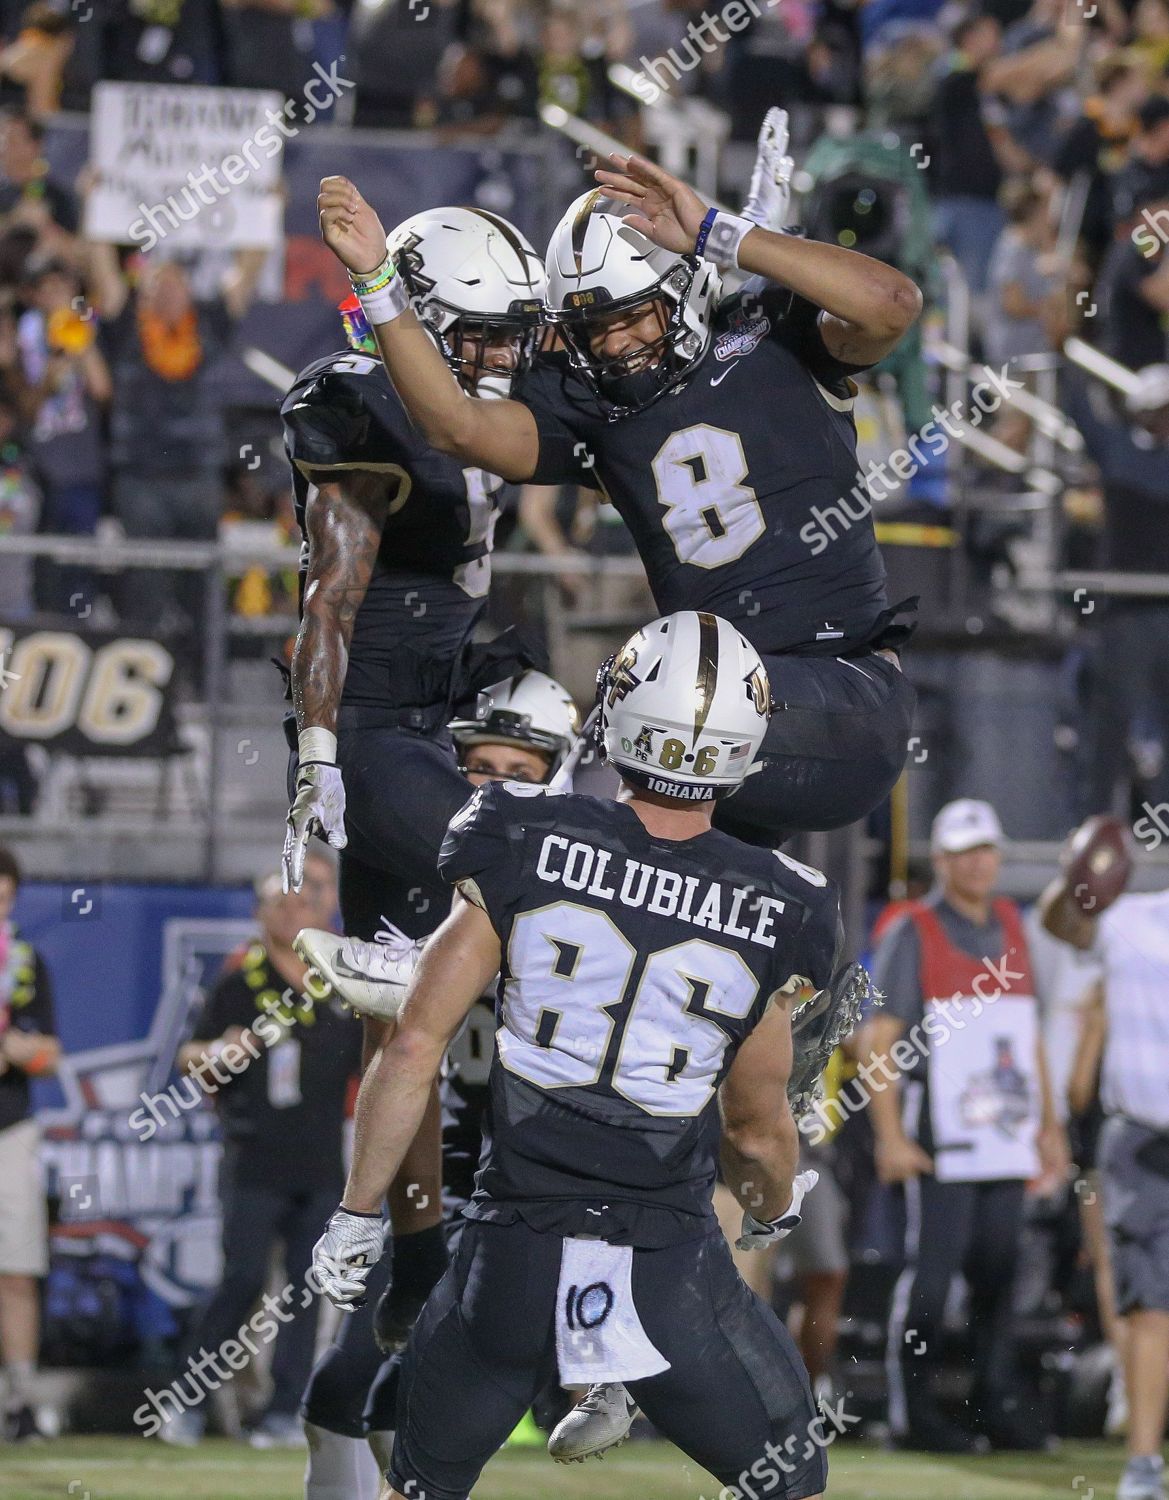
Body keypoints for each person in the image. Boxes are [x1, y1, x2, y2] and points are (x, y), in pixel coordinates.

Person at [312, 610, 841, 1500]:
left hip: (508, 1248)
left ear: (619, 713)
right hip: (667, 1266)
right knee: (788, 1478)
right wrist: (772, 1210)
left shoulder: (518, 830)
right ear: (745, 741)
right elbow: (755, 1133)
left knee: (417, 1484)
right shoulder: (782, 900)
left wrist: (360, 1212)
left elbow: (413, 1046)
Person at [315, 115, 922, 855]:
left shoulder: (771, 330)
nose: (618, 345)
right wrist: (378, 283)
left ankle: (499, 890)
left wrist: (718, 231)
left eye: (633, 318)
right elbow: (454, 425)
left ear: (685, 288)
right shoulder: (594, 413)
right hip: (722, 738)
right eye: (594, 330)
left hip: (843, 699)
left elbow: (891, 304)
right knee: (644, 901)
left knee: (644, 689)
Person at [277, 205, 551, 1500]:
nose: (501, 360)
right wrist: (321, 753)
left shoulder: (482, 400)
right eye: (482, 336)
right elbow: (329, 597)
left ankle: (392, 1311)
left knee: (416, 1035)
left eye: (511, 337)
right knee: (529, 882)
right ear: (423, 319)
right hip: (386, 724)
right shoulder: (358, 406)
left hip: (460, 706)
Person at [298, 670, 579, 1498]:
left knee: (420, 1390)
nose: (490, 791)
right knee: (352, 1380)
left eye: (517, 775)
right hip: (431, 1183)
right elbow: (392, 1058)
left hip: (526, 1191)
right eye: (477, 770)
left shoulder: (583, 891)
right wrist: (403, 1222)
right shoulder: (414, 876)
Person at [859, 797, 1069, 1453]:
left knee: (999, 1271)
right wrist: (890, 1135)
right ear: (942, 860)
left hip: (1001, 1131)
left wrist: (1048, 1125)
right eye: (964, 852)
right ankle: (912, 1410)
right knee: (930, 1272)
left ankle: (992, 1404)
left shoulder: (1011, 922)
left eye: (986, 850)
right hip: (940, 1133)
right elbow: (878, 1039)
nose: (978, 863)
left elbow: (1025, 1030)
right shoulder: (911, 929)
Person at [156, 851, 360, 1449]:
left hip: (323, 1158)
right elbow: (189, 1056)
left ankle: (284, 1410)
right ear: (261, 910)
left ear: (329, 903)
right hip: (254, 1156)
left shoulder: (343, 976)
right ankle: (184, 1401)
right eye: (285, 898)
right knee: (241, 1281)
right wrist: (216, 1052)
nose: (298, 906)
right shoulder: (240, 977)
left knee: (306, 1288)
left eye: (312, 894)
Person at [1040, 816, 1169, 1500]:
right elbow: (1063, 923)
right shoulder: (1134, 918)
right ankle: (1143, 1463)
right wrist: (1075, 876)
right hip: (1140, 1139)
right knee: (1148, 1305)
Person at [0, 841, 59, 1442]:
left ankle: (19, 1400)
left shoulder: (25, 961)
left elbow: (52, 1053)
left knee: (15, 1269)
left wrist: (18, 1050)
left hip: (9, 1131)